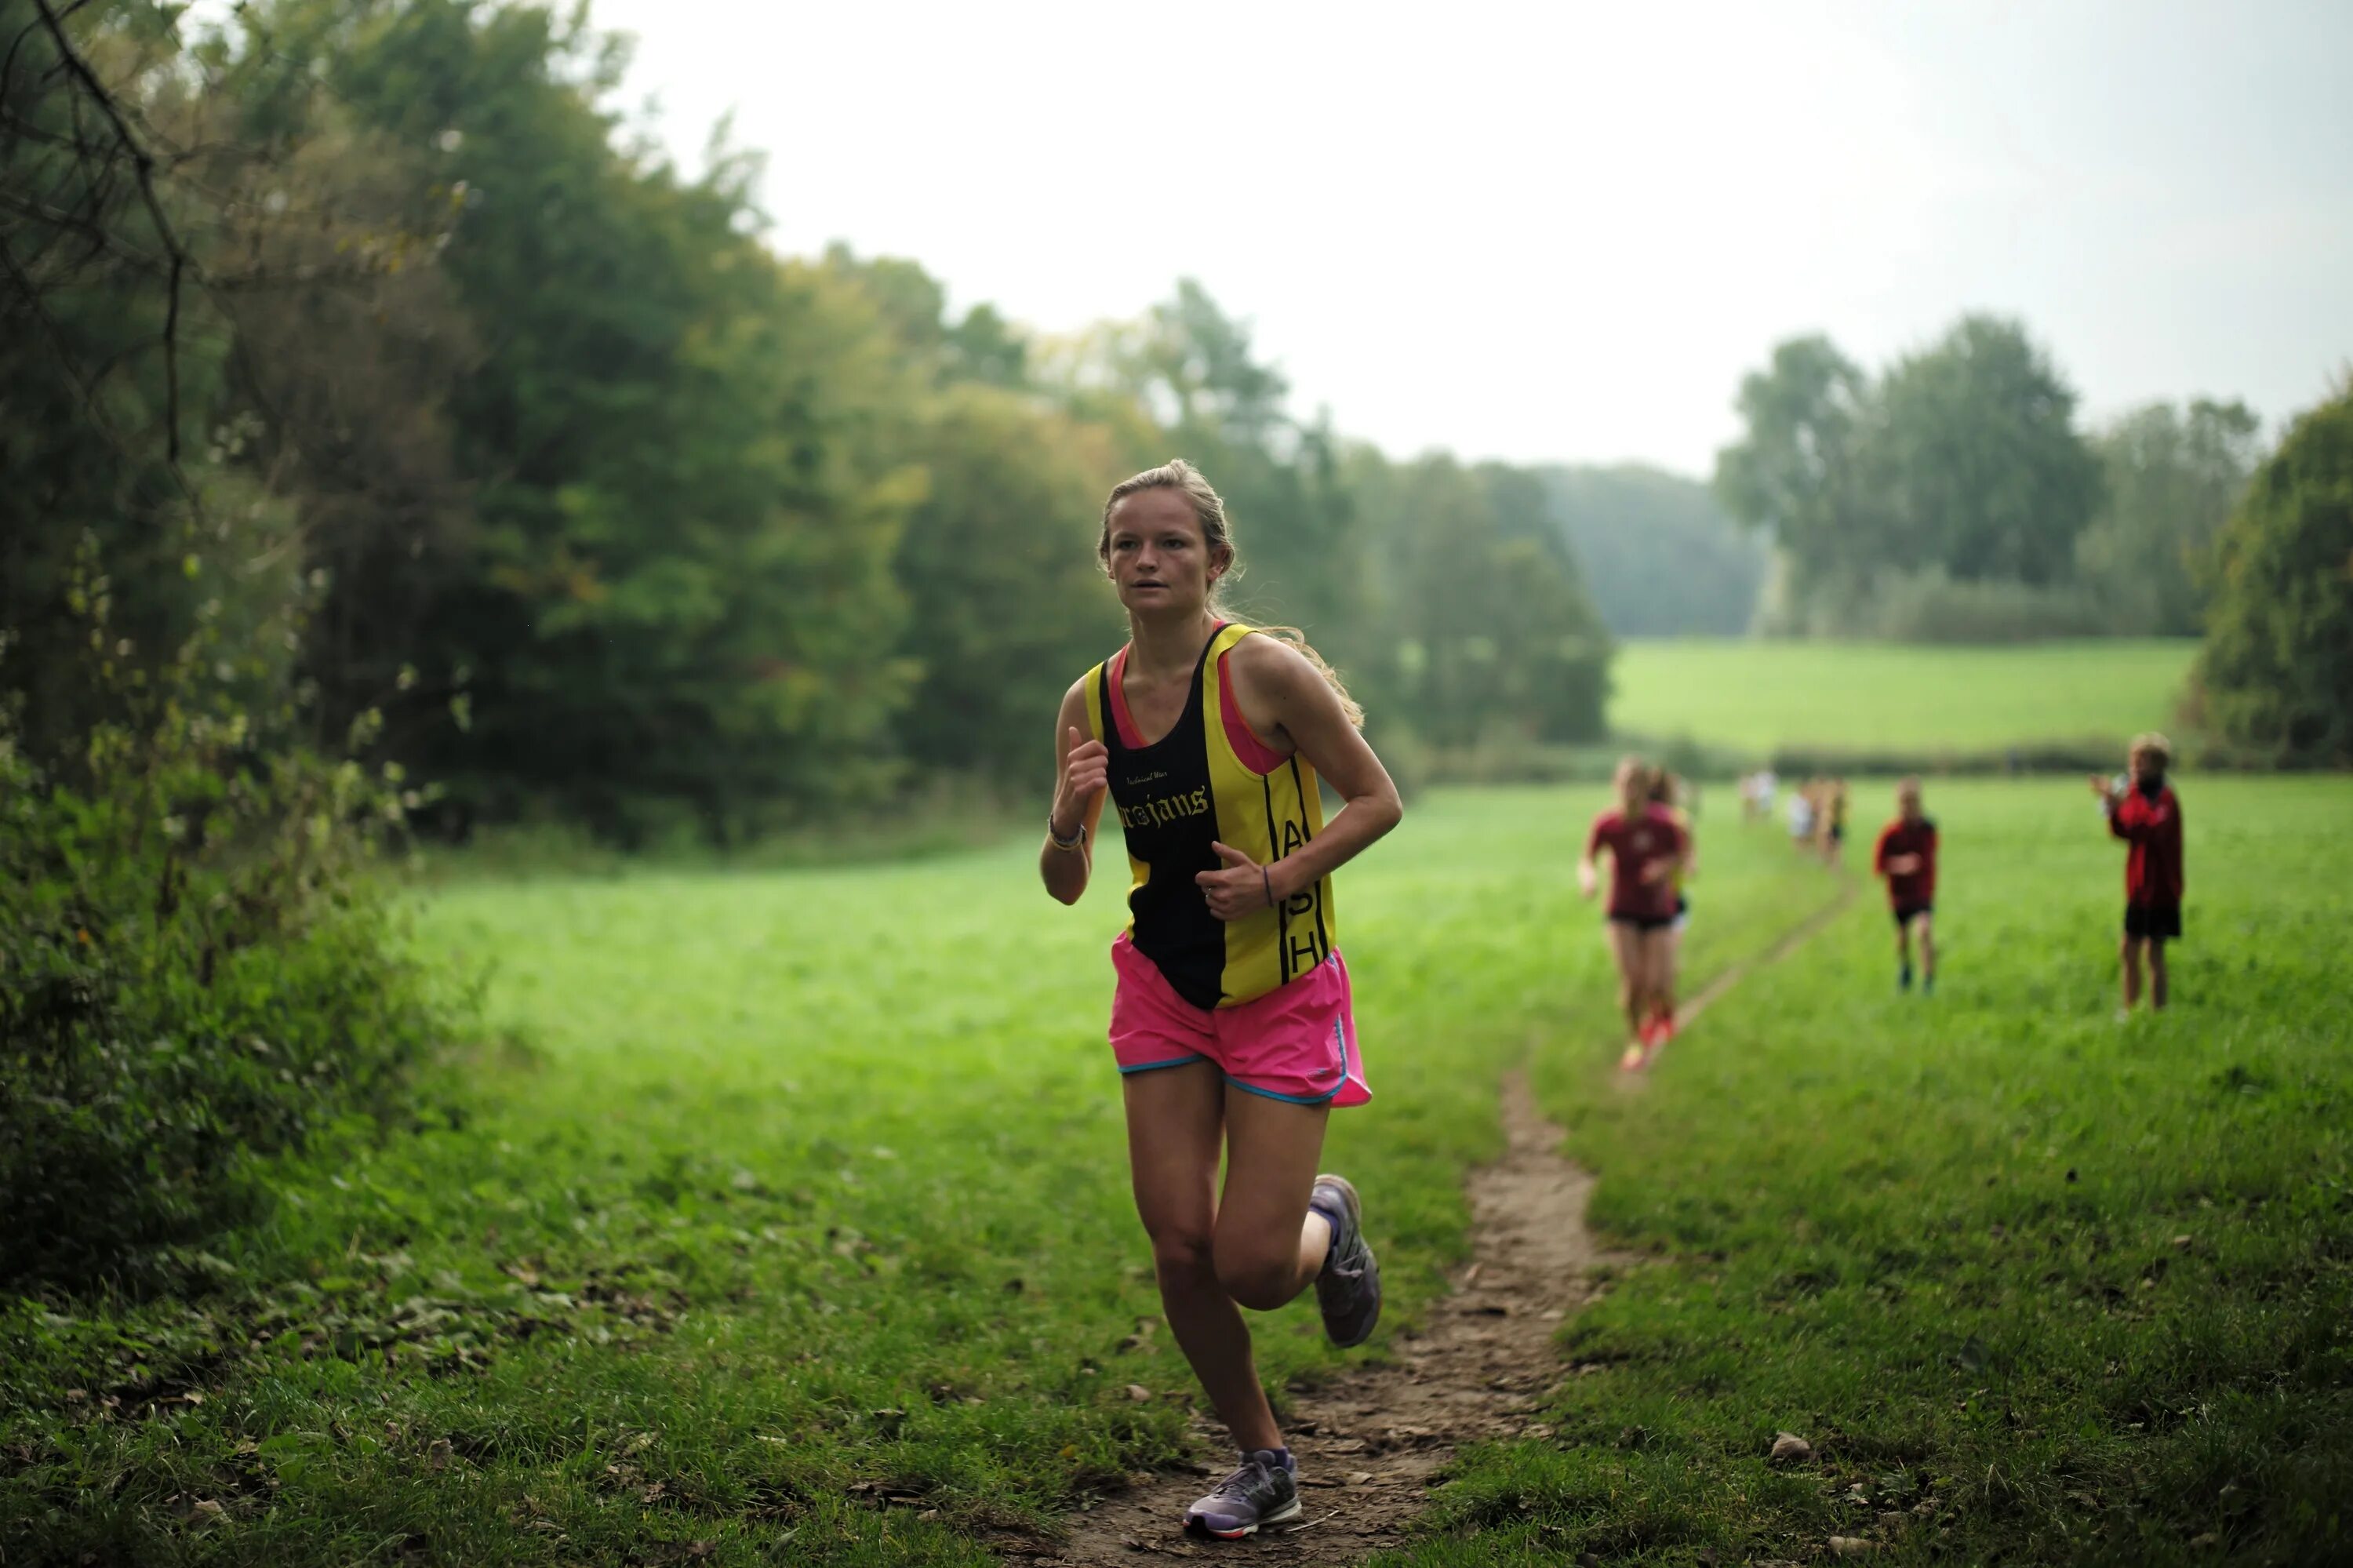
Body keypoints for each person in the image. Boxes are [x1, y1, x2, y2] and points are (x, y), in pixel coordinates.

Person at [1042, 460, 1403, 1540]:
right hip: (1163, 987)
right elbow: (1067, 881)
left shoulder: (1267, 675)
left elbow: (1378, 799)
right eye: (1126, 543)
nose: (1147, 559)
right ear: (1106, 561)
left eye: (1171, 542)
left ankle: (1325, 1220)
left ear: (1215, 559)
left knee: (1253, 1265)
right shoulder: (1090, 699)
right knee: (1179, 1242)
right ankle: (1265, 1458)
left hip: (1282, 986)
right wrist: (1067, 818)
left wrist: (1277, 881)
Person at [1579, 756, 1690, 1071]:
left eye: (1636, 784)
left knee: (1658, 984)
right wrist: (1588, 878)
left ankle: (1664, 1013)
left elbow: (1682, 856)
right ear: (1616, 785)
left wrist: (1663, 868)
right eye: (1624, 784)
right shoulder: (1607, 824)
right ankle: (1635, 1042)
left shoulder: (1664, 823)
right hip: (1621, 911)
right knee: (1633, 983)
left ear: (1645, 788)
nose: (1629, 790)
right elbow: (1587, 858)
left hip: (1658, 912)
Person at [2089, 733, 2184, 1015]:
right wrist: (2112, 808)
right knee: (2127, 951)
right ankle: (2130, 1011)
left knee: (2154, 954)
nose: (2135, 768)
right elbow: (2124, 831)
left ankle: (2159, 1013)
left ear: (2158, 765)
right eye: (2133, 761)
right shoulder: (2136, 795)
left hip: (2162, 889)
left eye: (2142, 761)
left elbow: (2149, 829)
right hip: (2138, 888)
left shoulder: (2165, 799)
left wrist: (2123, 804)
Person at [1871, 777, 1938, 994]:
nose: (1909, 807)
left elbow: (1927, 859)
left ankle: (1928, 981)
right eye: (1904, 803)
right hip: (1899, 894)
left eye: (1912, 802)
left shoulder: (1928, 829)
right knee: (1902, 935)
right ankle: (1905, 966)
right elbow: (1878, 866)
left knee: (1924, 930)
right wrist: (1900, 865)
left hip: (1922, 892)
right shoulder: (1890, 832)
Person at [1649, 768, 1695, 1037]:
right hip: (1646, 903)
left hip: (1672, 903)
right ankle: (1657, 1015)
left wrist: (1683, 865)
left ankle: (1664, 1015)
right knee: (1650, 973)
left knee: (1663, 970)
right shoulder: (1639, 820)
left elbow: (1690, 857)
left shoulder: (1679, 821)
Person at [1786, 780, 1817, 857]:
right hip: (1797, 821)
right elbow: (1791, 810)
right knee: (1797, 837)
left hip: (1806, 820)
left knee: (1806, 837)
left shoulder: (1809, 798)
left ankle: (1804, 851)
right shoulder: (1795, 798)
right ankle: (1799, 852)